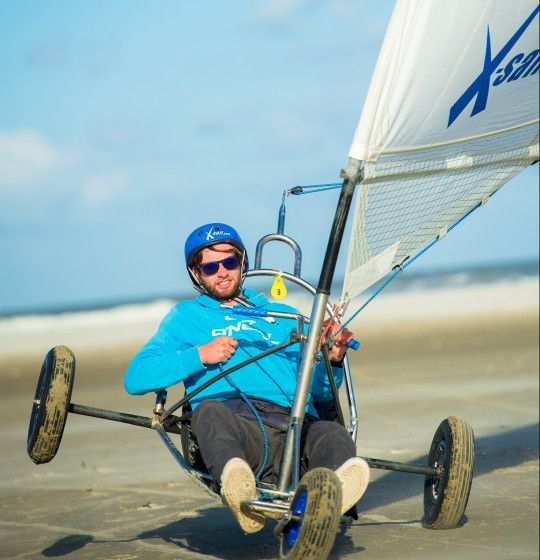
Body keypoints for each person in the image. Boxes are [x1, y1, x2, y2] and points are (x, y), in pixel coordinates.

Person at [125, 223, 369, 533]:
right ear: (197, 274)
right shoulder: (185, 317)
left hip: (295, 427)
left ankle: (335, 491)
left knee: (331, 432)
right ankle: (239, 488)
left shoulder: (284, 315)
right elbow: (136, 378)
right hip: (236, 426)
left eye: (229, 262)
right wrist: (199, 355)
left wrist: (333, 360)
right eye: (211, 266)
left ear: (243, 263)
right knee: (209, 412)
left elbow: (321, 392)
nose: (222, 272)